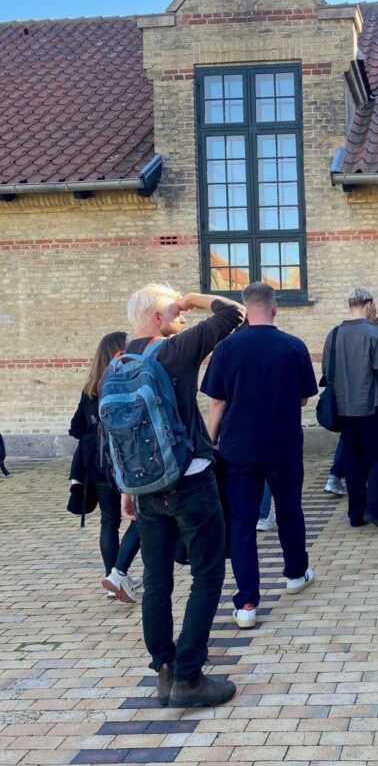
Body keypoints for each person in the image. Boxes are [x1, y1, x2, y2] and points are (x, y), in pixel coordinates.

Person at [122, 282, 244, 708]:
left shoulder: (119, 361)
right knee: (207, 575)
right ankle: (189, 677)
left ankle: (165, 670)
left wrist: (127, 487)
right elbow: (233, 312)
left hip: (147, 485)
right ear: (157, 316)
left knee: (157, 580)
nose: (184, 317)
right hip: (189, 478)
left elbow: (116, 432)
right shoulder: (174, 351)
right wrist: (192, 298)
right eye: (175, 311)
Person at [202, 281, 318, 629]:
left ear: (246, 309)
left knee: (242, 521)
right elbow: (303, 399)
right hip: (283, 444)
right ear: (275, 308)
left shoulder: (227, 348)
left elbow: (217, 401)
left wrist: (210, 445)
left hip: (239, 448)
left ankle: (248, 602)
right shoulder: (294, 346)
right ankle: (296, 574)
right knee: (289, 510)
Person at [69, 330, 142, 603]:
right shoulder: (124, 382)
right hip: (125, 460)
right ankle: (117, 574)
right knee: (144, 515)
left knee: (109, 521)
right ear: (117, 353)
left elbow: (75, 427)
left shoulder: (91, 388)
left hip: (95, 464)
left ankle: (112, 578)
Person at [322, 287, 378, 531]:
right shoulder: (374, 334)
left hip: (343, 410)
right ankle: (375, 509)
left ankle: (356, 514)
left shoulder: (333, 335)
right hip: (371, 407)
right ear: (368, 303)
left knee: (353, 462)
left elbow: (326, 371)